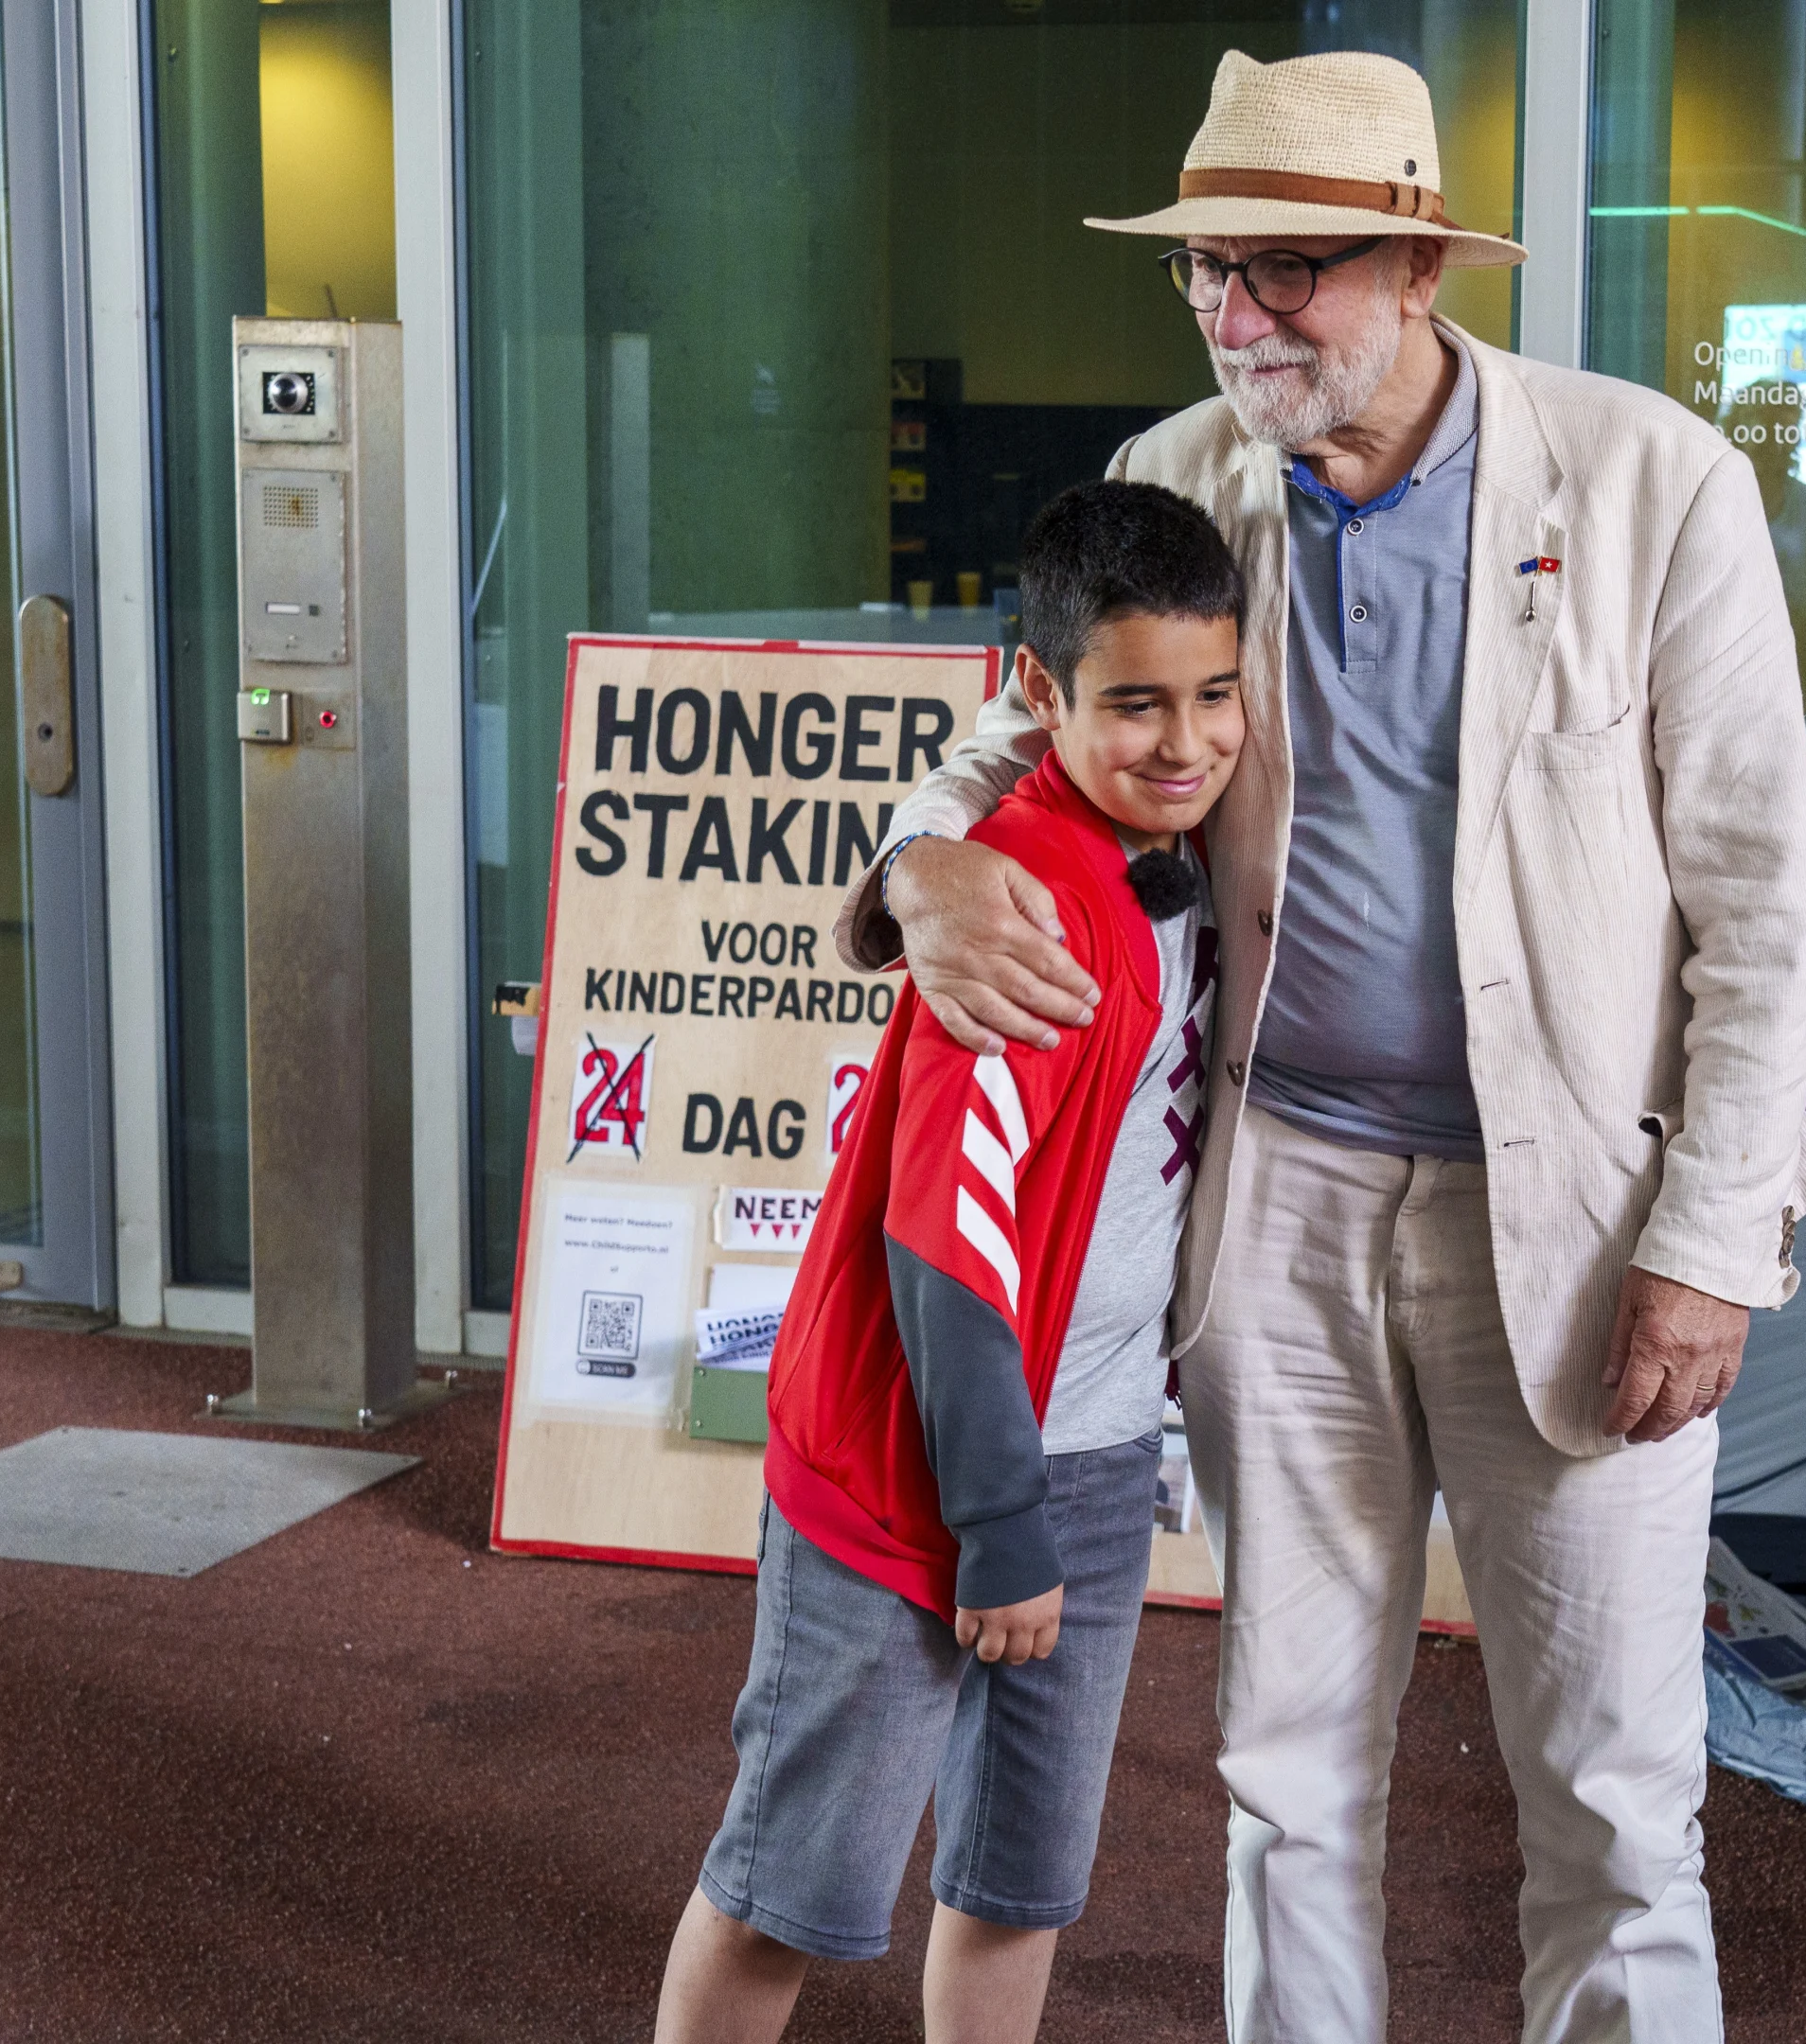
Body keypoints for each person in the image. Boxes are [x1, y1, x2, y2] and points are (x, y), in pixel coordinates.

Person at [838, 49, 1806, 2044]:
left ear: (1414, 260)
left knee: (1616, 1792)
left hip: (1576, 1209)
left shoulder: (1651, 482)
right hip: (1275, 1199)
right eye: (1207, 273)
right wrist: (922, 865)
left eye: (1283, 270)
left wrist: (1716, 1240)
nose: (1237, 318)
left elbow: (1762, 900)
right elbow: (1017, 725)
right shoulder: (1185, 475)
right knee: (1284, 1781)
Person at [652, 482, 1246, 2044]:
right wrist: (1000, 1528)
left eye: (1216, 696)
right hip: (928, 1475)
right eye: (1135, 705)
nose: (1184, 743)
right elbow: (945, 1247)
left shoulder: (1182, 865)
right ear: (1037, 693)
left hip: (1099, 1451)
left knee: (1020, 1882)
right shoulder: (1024, 904)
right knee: (794, 1891)